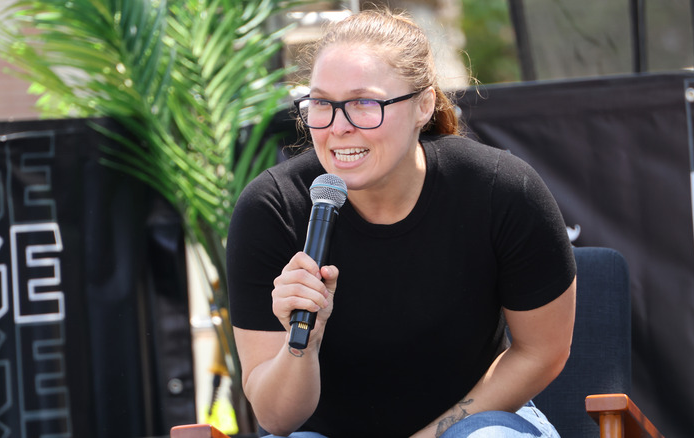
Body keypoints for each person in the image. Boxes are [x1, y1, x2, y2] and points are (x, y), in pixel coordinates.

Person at [226, 8, 577, 438]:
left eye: (363, 103)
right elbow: (277, 419)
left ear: (423, 105)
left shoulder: (501, 190)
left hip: (474, 425)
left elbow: (543, 351)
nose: (338, 127)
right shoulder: (272, 209)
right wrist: (305, 343)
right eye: (321, 103)